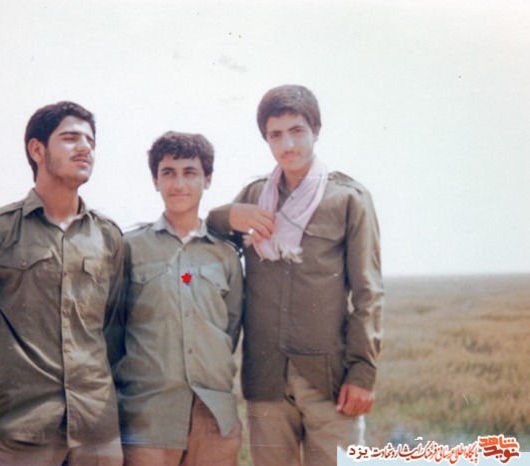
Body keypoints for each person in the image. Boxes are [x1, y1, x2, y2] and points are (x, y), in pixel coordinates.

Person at [0, 101, 124, 466]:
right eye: (70, 138)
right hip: (23, 429)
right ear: (37, 150)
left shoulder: (108, 236)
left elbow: (113, 327)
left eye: (90, 141)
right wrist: (8, 373)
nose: (84, 148)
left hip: (97, 431)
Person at [206, 84, 384, 466]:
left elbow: (368, 292)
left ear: (316, 130)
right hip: (266, 379)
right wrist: (228, 215)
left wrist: (363, 374)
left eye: (297, 131)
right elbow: (208, 232)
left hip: (330, 380)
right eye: (276, 135)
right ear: (266, 139)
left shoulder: (348, 198)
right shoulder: (254, 196)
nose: (287, 144)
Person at [108, 131, 244, 466]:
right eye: (168, 172)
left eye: (189, 172)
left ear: (207, 179)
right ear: (155, 180)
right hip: (147, 419)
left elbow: (231, 328)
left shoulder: (226, 256)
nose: (179, 183)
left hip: (213, 419)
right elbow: (112, 329)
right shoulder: (130, 247)